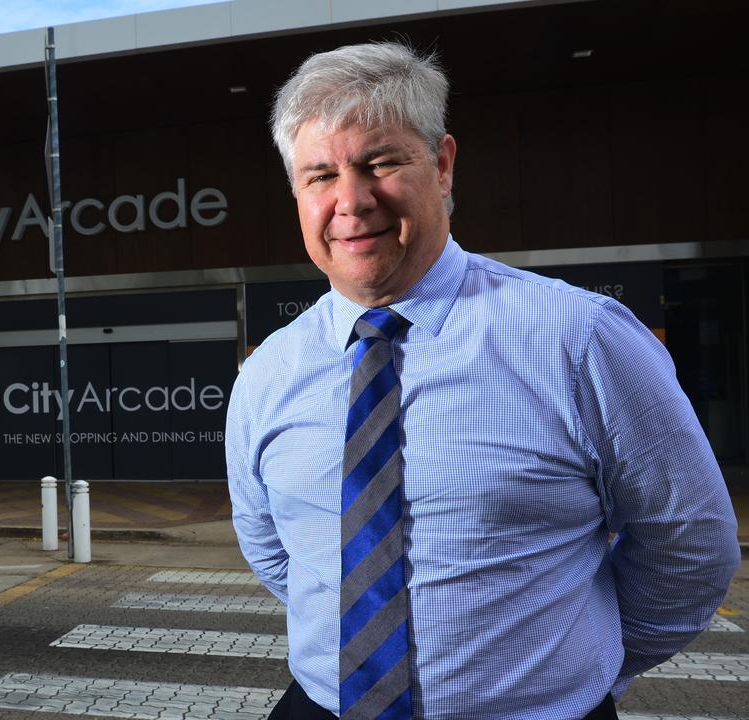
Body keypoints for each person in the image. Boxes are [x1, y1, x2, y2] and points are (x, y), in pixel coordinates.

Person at [226, 41, 740, 720]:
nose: (350, 201)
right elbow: (275, 550)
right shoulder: (269, 370)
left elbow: (689, 545)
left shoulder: (582, 338)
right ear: (296, 191)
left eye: (380, 163)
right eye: (320, 174)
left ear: (441, 165)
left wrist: (573, 681)